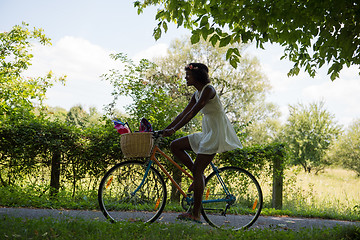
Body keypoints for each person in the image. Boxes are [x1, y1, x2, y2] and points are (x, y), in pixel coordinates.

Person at [163, 63, 242, 223]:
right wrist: (165, 130)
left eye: (188, 75)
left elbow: (193, 112)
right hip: (207, 133)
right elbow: (183, 113)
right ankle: (200, 177)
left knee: (197, 170)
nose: (185, 77)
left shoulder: (208, 90)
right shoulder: (197, 94)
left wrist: (174, 129)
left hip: (216, 133)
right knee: (175, 146)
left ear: (197, 77)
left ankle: (196, 214)